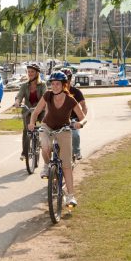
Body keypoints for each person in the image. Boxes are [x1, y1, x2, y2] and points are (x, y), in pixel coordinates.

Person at [28, 71, 86, 207]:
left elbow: (83, 117)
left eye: (57, 84)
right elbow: (36, 112)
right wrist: (32, 123)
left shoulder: (70, 100)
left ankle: (70, 196)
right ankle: (47, 165)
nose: (54, 86)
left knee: (66, 165)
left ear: (63, 85)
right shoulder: (47, 95)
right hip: (47, 126)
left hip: (64, 129)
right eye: (53, 84)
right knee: (45, 145)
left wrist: (80, 123)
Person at [13, 63, 47, 160]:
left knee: (45, 126)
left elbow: (45, 96)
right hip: (28, 111)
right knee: (27, 130)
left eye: (32, 72)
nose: (30, 73)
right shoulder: (24, 85)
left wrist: (41, 106)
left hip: (40, 111)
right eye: (29, 72)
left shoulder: (42, 85)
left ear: (37, 73)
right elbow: (19, 95)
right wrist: (17, 102)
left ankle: (44, 141)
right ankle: (24, 152)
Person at [61, 68, 87, 160]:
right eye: (63, 79)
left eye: (68, 78)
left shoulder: (76, 91)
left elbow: (84, 106)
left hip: (73, 119)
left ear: (70, 79)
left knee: (75, 134)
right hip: (60, 118)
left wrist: (80, 120)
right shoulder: (56, 91)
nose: (66, 81)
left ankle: (77, 151)